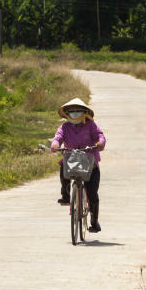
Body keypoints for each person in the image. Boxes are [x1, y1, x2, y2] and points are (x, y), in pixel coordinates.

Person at [49, 96, 106, 233]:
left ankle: (94, 220)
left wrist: (100, 143)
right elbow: (57, 137)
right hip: (71, 160)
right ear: (67, 114)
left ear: (84, 112)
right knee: (64, 172)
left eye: (78, 111)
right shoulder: (64, 127)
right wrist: (55, 144)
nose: (75, 113)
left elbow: (100, 136)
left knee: (92, 194)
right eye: (72, 111)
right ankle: (66, 196)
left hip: (90, 162)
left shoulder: (91, 125)